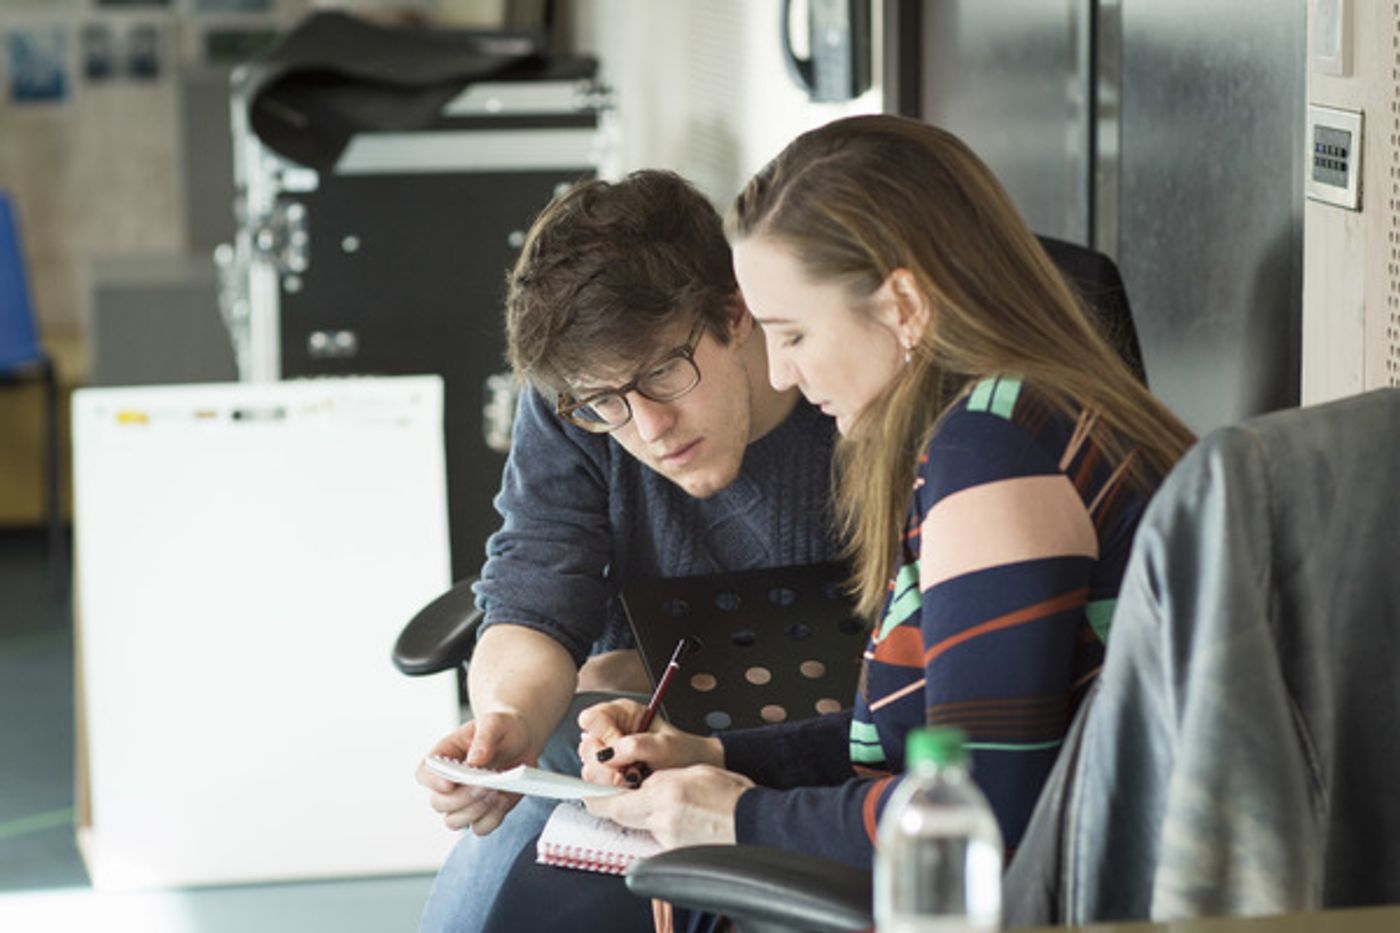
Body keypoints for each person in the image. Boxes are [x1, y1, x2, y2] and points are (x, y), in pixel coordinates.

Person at [478, 114, 1196, 932]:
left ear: (902, 307)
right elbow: (923, 748)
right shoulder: (999, 425)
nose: (780, 370)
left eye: (791, 334)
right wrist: (718, 759)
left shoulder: (991, 456)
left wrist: (736, 818)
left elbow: (980, 827)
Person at [414, 169, 842, 932]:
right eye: (607, 403)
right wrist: (506, 721)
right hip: (624, 754)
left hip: (812, 764)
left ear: (735, 313)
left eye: (663, 374)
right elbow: (532, 590)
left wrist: (669, 688)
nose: (648, 428)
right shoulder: (576, 406)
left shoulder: (844, 390)